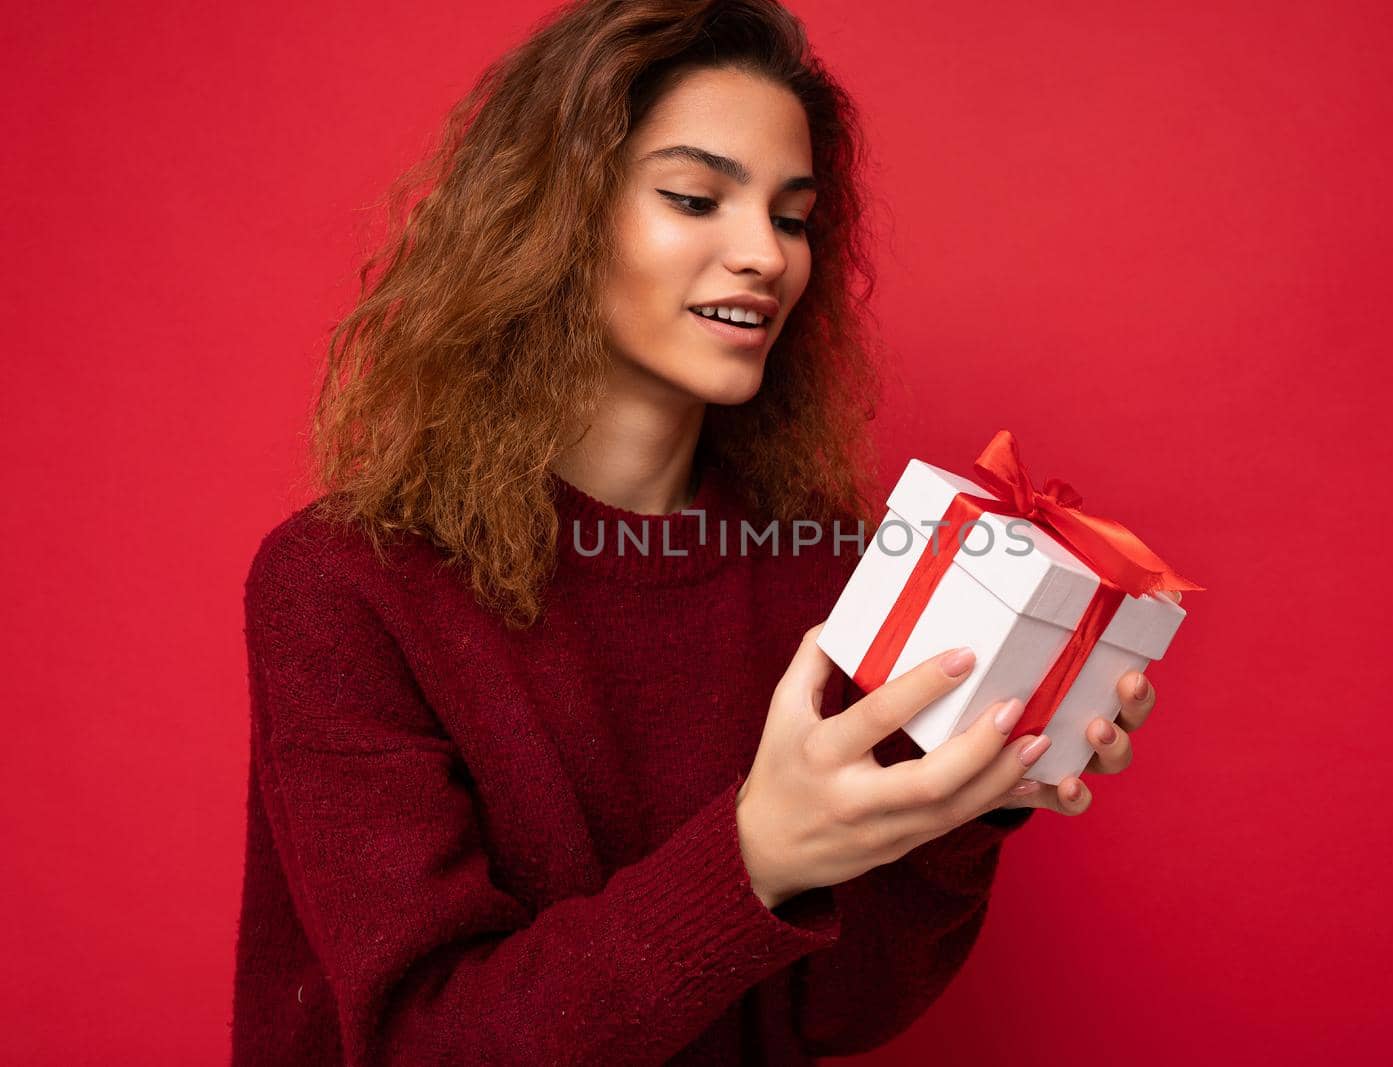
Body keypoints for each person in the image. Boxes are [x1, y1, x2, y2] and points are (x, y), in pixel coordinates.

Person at [229, 1, 1170, 1063]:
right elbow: (423, 1041)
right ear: (554, 217)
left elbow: (829, 1011)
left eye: (792, 215)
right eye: (694, 197)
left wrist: (964, 795)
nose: (762, 254)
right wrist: (752, 853)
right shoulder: (347, 585)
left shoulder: (824, 562)